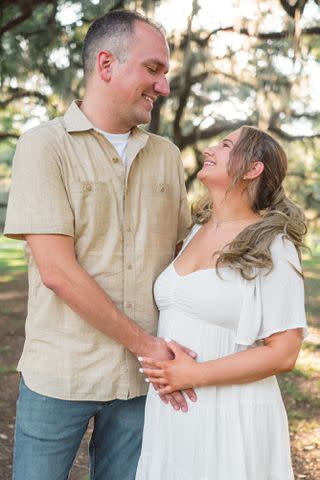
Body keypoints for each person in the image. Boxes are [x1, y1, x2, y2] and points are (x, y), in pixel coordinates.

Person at [4, 10, 195, 480]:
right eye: (153, 69)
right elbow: (57, 271)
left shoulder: (167, 156)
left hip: (141, 384)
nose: (163, 87)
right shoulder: (42, 146)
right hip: (61, 374)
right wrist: (147, 345)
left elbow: (184, 262)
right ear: (106, 65)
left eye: (165, 73)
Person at [136, 126, 308, 480]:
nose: (209, 149)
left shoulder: (274, 243)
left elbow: (284, 353)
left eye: (226, 145)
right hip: (173, 413)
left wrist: (195, 374)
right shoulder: (195, 231)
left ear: (251, 169)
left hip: (233, 413)